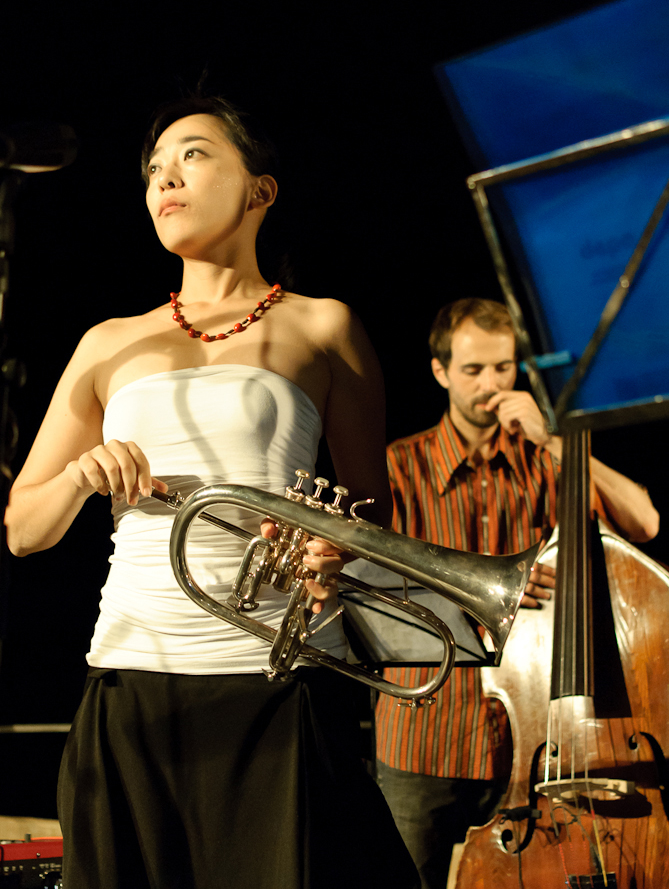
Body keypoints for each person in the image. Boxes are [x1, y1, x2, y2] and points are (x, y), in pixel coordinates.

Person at [3, 95, 419, 889]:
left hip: (278, 679)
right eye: (154, 169)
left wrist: (332, 546)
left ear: (260, 189)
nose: (165, 178)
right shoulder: (107, 341)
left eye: (192, 155)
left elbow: (371, 512)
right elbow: (23, 528)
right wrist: (82, 475)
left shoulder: (324, 327)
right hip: (134, 680)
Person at [374, 297, 659, 889]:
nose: (491, 385)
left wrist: (556, 439)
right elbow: (368, 588)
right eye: (473, 370)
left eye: (503, 368)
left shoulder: (545, 462)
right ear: (440, 371)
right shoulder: (400, 466)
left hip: (530, 748)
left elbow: (645, 522)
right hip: (425, 736)